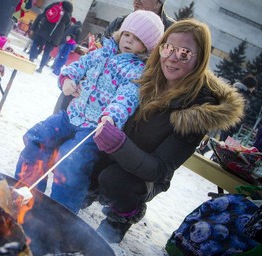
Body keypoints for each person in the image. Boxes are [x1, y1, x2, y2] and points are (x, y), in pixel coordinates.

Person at [85, 19, 245, 243]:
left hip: (144, 176)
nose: (171, 58)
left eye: (184, 54)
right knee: (82, 159)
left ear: (199, 60)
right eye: (168, 48)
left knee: (115, 181)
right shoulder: (146, 76)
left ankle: (122, 217)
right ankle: (88, 189)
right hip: (116, 151)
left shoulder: (197, 110)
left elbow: (159, 169)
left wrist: (118, 144)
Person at [14, 10, 165, 214]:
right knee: (38, 138)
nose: (129, 41)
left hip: (94, 130)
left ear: (147, 47)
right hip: (71, 115)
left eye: (137, 40)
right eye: (127, 34)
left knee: (71, 160)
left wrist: (111, 116)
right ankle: (27, 193)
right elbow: (79, 65)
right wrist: (68, 79)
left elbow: (127, 98)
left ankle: (60, 213)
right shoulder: (102, 52)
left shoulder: (137, 71)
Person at [53, 0, 175, 114]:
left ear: (159, 2)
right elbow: (96, 55)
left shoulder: (171, 32)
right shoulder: (121, 22)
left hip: (125, 105)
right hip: (86, 95)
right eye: (126, 35)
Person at [29, 1, 73, 73]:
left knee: (36, 43)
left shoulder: (56, 6)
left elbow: (46, 11)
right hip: (55, 36)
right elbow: (67, 28)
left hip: (45, 29)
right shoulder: (68, 16)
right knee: (47, 52)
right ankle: (41, 67)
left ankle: (32, 57)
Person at [219, 75, 259, 141]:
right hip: (231, 125)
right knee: (223, 145)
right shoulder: (243, 95)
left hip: (228, 123)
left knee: (222, 143)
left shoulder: (237, 91)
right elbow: (239, 111)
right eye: (253, 87)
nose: (254, 89)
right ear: (250, 86)